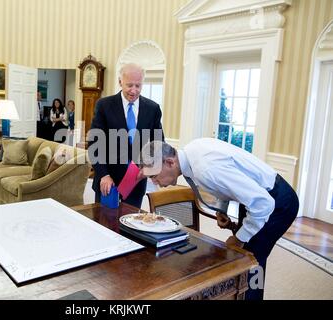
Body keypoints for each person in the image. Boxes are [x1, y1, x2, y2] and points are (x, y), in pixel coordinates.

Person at [138, 139, 299, 300]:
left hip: (276, 203)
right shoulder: (191, 153)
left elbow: (263, 204)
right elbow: (228, 178)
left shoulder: (206, 169)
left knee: (250, 262)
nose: (154, 182)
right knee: (247, 259)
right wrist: (222, 208)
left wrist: (239, 238)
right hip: (256, 200)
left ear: (170, 162)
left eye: (154, 176)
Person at [88, 63, 164, 208]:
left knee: (131, 225)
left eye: (138, 86)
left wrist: (153, 167)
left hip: (136, 181)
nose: (134, 91)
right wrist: (103, 174)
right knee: (105, 224)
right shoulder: (104, 105)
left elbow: (158, 142)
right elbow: (94, 145)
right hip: (107, 180)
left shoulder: (153, 108)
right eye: (129, 85)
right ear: (120, 82)